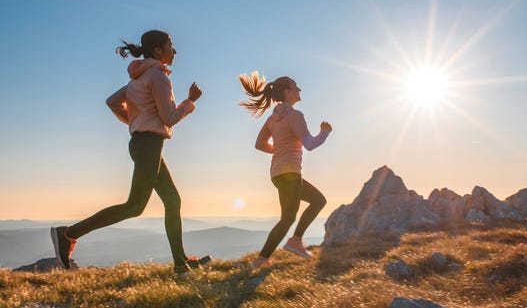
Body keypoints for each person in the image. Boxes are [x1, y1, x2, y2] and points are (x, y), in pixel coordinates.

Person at [50, 30, 210, 276]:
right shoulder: (158, 76)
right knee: (135, 206)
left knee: (172, 200)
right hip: (148, 145)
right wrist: (190, 102)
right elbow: (169, 117)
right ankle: (69, 233)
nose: (175, 51)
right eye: (171, 45)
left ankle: (180, 263)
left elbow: (113, 101)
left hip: (145, 143)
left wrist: (135, 122)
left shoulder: (137, 77)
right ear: (158, 50)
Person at [238, 71, 332, 268]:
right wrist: (324, 132)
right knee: (304, 209)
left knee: (296, 212)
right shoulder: (295, 115)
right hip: (290, 172)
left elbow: (259, 144)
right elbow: (310, 144)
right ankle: (294, 242)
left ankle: (262, 259)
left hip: (277, 173)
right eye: (295, 86)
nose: (299, 89)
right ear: (287, 92)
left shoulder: (273, 119)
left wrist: (279, 150)